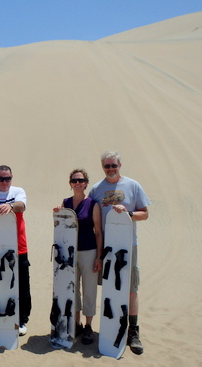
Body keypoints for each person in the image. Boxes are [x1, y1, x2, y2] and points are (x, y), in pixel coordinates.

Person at [89, 151, 150, 355]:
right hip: (106, 246)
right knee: (109, 287)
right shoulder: (97, 189)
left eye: (113, 165)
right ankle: (111, 328)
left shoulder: (133, 185)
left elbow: (145, 214)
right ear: (103, 167)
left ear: (120, 165)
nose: (111, 169)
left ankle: (133, 331)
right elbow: (88, 213)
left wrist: (129, 214)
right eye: (107, 166)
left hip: (128, 244)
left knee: (130, 288)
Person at [53, 169, 103, 345]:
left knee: (89, 290)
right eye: (74, 180)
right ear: (70, 183)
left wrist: (99, 256)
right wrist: (58, 213)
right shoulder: (65, 203)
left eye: (81, 180)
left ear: (86, 183)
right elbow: (60, 226)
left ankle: (89, 326)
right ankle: (76, 323)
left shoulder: (92, 204)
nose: (78, 183)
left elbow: (98, 231)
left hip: (89, 252)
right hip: (69, 254)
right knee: (72, 290)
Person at [0, 165, 31, 336]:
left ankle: (22, 319)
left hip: (18, 247)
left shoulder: (17, 191)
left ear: (11, 178)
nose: (4, 182)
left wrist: (9, 206)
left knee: (22, 284)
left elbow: (21, 205)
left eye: (7, 178)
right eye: (1, 178)